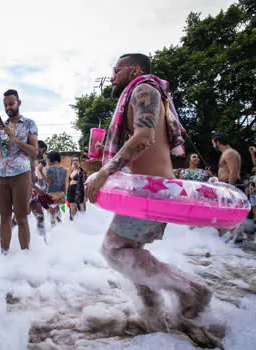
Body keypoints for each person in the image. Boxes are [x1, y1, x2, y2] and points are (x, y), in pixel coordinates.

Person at [85, 53, 211, 324]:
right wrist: (100, 161)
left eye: (116, 70)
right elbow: (141, 143)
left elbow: (144, 137)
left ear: (133, 70)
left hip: (153, 191)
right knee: (128, 252)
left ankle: (193, 290)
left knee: (113, 249)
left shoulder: (144, 89)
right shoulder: (140, 92)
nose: (112, 76)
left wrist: (105, 172)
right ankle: (153, 313)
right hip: (144, 191)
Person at [0, 89, 38, 254]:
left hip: (21, 175)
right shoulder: (2, 126)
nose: (8, 107)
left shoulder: (29, 124)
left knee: (21, 217)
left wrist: (15, 139)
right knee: (4, 217)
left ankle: (25, 255)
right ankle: (4, 254)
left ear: (19, 103)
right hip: (2, 175)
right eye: (5, 105)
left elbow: (34, 151)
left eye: (11, 103)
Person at [45, 151, 67, 226]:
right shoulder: (63, 169)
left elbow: (48, 182)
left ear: (51, 159)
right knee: (58, 214)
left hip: (52, 194)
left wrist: (40, 172)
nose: (47, 161)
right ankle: (61, 230)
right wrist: (64, 194)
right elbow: (64, 183)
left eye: (47, 159)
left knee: (52, 216)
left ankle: (54, 233)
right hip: (61, 194)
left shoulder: (50, 169)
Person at [67, 156, 88, 220]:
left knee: (81, 208)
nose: (75, 162)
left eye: (76, 160)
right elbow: (70, 181)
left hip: (79, 190)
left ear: (79, 162)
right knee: (72, 208)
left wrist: (85, 196)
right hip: (71, 190)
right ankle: (73, 223)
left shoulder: (82, 171)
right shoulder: (72, 171)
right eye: (73, 160)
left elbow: (86, 183)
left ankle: (83, 223)